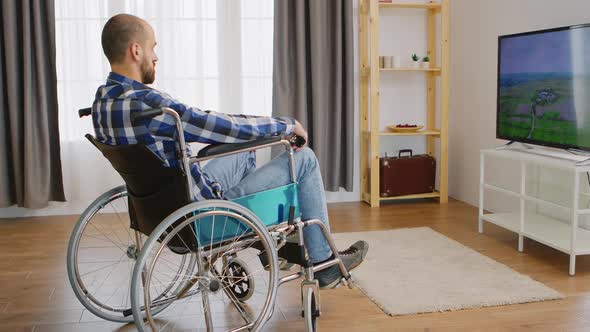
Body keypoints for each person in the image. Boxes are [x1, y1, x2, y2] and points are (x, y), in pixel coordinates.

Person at [94, 13, 367, 289]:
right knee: (304, 159)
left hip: (158, 215)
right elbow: (215, 124)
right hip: (204, 219)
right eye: (153, 47)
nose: (156, 57)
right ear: (136, 50)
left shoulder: (102, 102)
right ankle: (323, 264)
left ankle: (267, 243)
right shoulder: (149, 105)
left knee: (241, 150)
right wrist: (285, 125)